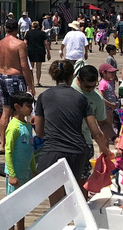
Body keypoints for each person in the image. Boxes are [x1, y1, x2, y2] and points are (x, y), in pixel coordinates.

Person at [34, 59, 111, 201]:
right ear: (72, 77)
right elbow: (96, 132)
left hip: (52, 151)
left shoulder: (43, 96)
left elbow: (39, 131)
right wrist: (107, 152)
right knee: (78, 194)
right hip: (78, 152)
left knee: (56, 197)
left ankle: (61, 221)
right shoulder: (82, 99)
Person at [0, 21, 35, 154]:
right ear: (17, 30)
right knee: (20, 111)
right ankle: (17, 141)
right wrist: (31, 85)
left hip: (2, 77)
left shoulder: (0, 44)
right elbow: (24, 66)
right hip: (15, 78)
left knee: (5, 112)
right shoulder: (20, 44)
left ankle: (3, 144)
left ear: (5, 29)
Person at [4, 91, 37, 230]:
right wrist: (12, 174)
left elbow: (30, 150)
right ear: (17, 107)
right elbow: (8, 151)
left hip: (25, 172)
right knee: (12, 204)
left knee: (22, 202)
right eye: (28, 106)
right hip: (15, 173)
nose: (31, 109)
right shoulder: (14, 126)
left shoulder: (28, 126)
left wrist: (34, 169)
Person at [73, 64, 111, 148]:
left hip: (84, 142)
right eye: (87, 86)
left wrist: (114, 137)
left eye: (94, 86)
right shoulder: (69, 87)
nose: (90, 89)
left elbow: (103, 123)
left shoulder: (97, 99)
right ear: (79, 79)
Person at [25, 21, 50, 87]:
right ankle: (38, 82)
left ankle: (31, 82)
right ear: (38, 26)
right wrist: (48, 53)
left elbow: (25, 43)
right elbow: (46, 43)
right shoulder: (42, 33)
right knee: (38, 68)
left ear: (32, 26)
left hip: (31, 51)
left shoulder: (28, 33)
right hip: (40, 51)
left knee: (31, 67)